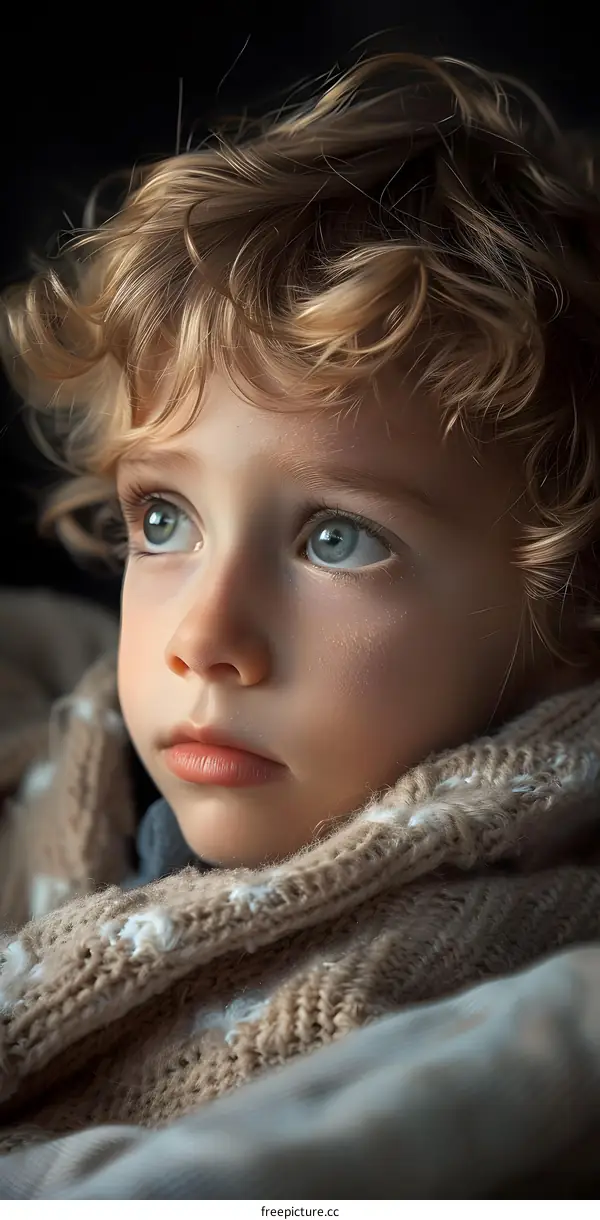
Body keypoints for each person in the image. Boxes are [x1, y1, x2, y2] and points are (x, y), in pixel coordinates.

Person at [2, 50, 600, 1180]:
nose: (203, 636)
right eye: (165, 518)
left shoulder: (494, 1001)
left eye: (337, 537)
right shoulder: (46, 784)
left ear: (568, 609)